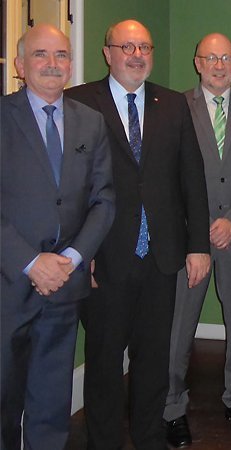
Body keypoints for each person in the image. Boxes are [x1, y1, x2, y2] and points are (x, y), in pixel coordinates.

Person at [66, 19, 211, 449]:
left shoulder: (172, 104)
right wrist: (79, 252)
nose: (137, 54)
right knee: (104, 362)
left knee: (153, 362)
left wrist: (198, 245)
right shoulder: (79, 103)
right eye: (126, 46)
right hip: (103, 258)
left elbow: (192, 176)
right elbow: (70, 187)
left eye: (144, 47)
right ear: (107, 53)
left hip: (161, 259)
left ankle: (149, 439)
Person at [0, 24, 114, 450]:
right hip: (9, 284)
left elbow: (104, 200)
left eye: (61, 55)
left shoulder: (91, 123)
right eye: (41, 54)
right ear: (20, 64)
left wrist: (71, 258)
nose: (52, 64)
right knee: (4, 402)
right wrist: (31, 262)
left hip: (65, 284)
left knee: (52, 404)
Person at [162, 32, 231, 448]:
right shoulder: (176, 106)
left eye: (227, 58)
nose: (220, 65)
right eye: (211, 57)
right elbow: (169, 173)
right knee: (179, 326)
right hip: (192, 236)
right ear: (198, 62)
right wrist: (203, 224)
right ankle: (172, 407)